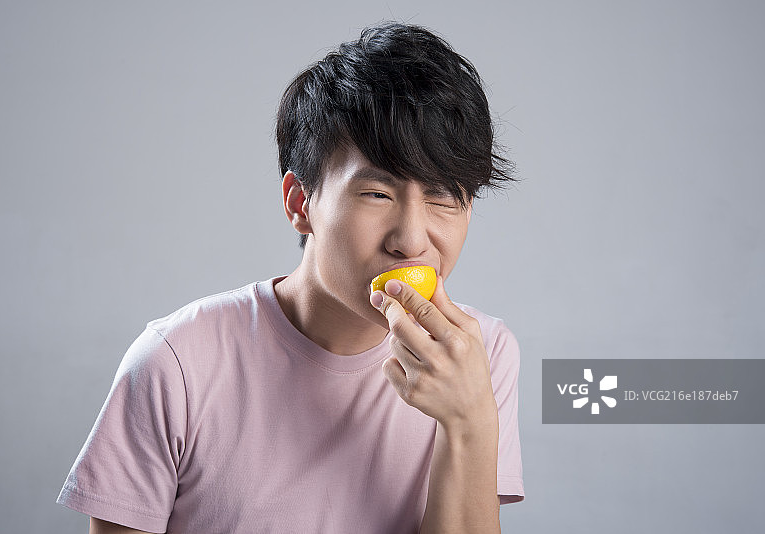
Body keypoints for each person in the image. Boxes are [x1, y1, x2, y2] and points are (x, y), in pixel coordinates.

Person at [57, 21, 525, 533]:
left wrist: (468, 421)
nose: (411, 241)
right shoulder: (177, 363)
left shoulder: (482, 354)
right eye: (378, 194)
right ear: (301, 203)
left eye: (442, 197)